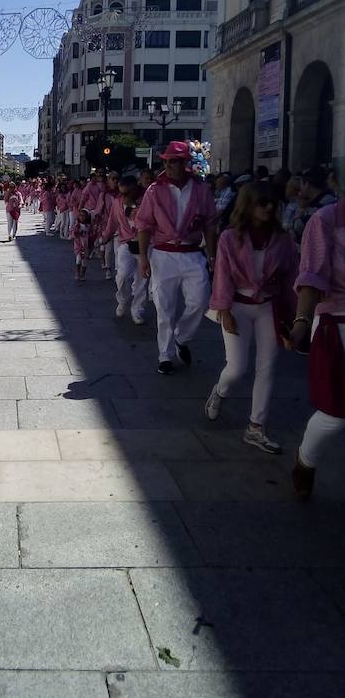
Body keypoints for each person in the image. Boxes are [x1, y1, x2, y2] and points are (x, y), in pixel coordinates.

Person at [205, 183, 298, 453]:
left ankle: (256, 427)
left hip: (269, 306)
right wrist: (224, 310)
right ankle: (219, 392)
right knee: (236, 368)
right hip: (238, 305)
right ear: (248, 204)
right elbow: (222, 276)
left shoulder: (283, 240)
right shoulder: (230, 238)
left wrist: (293, 317)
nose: (268, 207)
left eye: (272, 202)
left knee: (267, 366)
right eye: (262, 202)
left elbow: (291, 278)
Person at [136, 140, 217, 374]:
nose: (170, 165)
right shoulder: (155, 190)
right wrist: (143, 257)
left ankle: (181, 336)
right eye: (168, 161)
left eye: (176, 161)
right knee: (164, 307)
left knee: (200, 300)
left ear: (186, 163)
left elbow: (210, 226)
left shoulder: (201, 190)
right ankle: (165, 355)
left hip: (192, 253)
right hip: (164, 254)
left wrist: (213, 257)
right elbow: (143, 225)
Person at [291, 194, 345, 498]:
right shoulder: (325, 220)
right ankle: (306, 460)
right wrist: (301, 320)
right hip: (337, 320)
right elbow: (311, 276)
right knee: (335, 415)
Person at [102, 175, 147, 324]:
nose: (124, 196)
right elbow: (112, 221)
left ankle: (137, 310)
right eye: (121, 193)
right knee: (122, 276)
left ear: (135, 188)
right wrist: (106, 235)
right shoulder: (117, 202)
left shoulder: (146, 200)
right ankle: (122, 300)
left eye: (127, 193)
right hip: (126, 243)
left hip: (144, 244)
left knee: (141, 280)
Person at [293, 166, 338, 246]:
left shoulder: (324, 203)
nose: (300, 189)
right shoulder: (319, 201)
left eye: (301, 184)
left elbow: (299, 226)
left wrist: (297, 219)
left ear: (307, 184)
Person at [72, 208, 93, 282]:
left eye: (83, 216)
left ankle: (83, 274)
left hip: (86, 246)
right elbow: (73, 234)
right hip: (78, 245)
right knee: (78, 259)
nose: (82, 217)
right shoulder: (77, 225)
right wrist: (77, 233)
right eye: (80, 215)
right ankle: (77, 272)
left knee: (84, 261)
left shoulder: (89, 226)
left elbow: (91, 235)